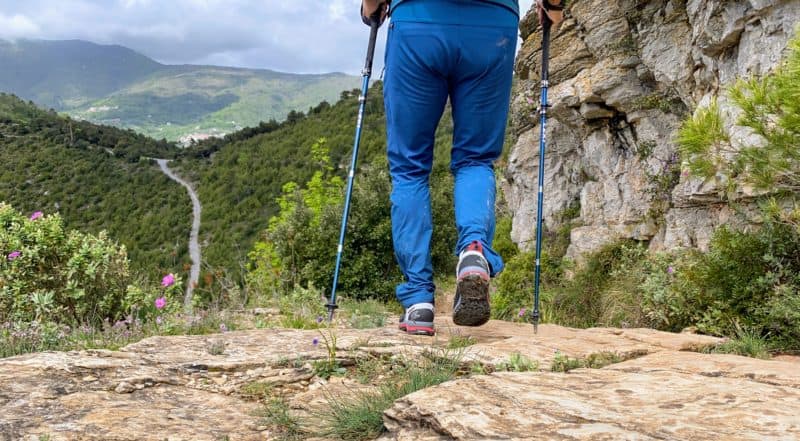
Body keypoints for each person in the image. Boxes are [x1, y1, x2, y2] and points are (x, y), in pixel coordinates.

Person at [361, 0, 563, 336]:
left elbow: (372, 6)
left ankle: (419, 301)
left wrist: (372, 7)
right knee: (476, 158)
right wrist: (553, 5)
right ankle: (473, 251)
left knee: (409, 168)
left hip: (417, 22)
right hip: (492, 25)